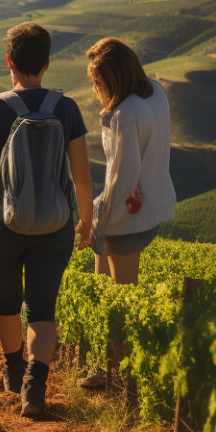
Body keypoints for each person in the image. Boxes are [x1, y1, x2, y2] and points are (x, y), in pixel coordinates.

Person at [0, 22, 93, 418]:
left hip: (1, 224)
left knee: (7, 300)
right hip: (55, 225)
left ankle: (14, 369)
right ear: (47, 63)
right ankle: (35, 386)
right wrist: (86, 221)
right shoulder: (66, 108)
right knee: (42, 307)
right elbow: (82, 176)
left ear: (9, 61)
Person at [80, 37, 176, 389]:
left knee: (116, 297)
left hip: (126, 218)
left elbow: (122, 177)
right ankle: (109, 367)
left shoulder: (124, 115)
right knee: (112, 291)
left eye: (97, 82)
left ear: (110, 79)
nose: (96, 90)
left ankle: (118, 375)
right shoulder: (155, 92)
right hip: (153, 207)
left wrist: (98, 221)